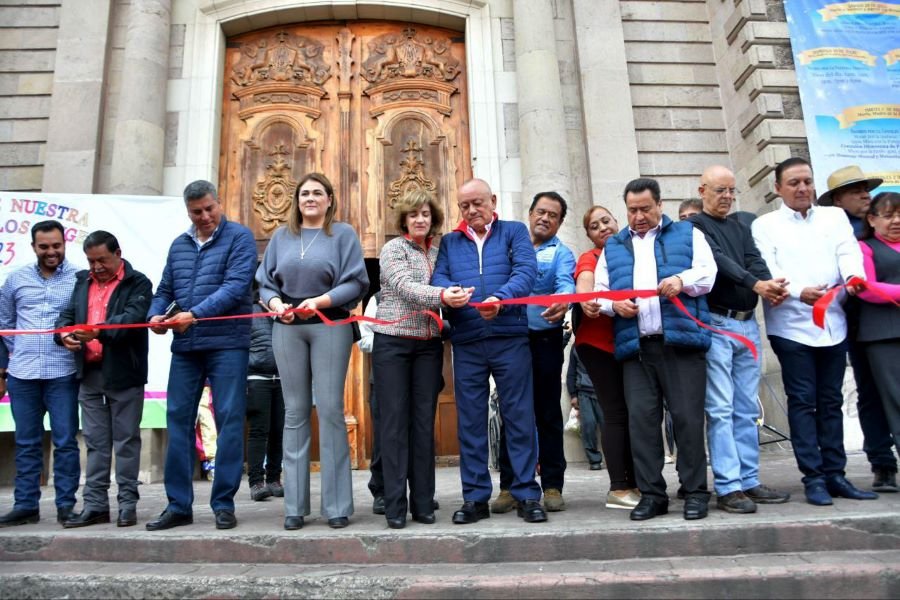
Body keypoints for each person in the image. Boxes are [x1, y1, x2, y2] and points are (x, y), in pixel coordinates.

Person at [751, 157, 876, 505]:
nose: (802, 188)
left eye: (807, 181)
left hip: (834, 321)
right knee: (803, 401)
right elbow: (768, 267)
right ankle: (814, 477)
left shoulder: (834, 217)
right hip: (791, 326)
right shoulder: (765, 225)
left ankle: (836, 474)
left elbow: (847, 252)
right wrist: (798, 292)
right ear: (778, 188)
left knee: (831, 400)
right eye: (794, 183)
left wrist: (853, 278)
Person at [595, 178, 717, 521]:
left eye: (645, 209)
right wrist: (613, 306)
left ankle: (695, 492)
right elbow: (600, 291)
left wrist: (681, 281)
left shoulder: (688, 234)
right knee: (643, 423)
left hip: (681, 345)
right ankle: (652, 495)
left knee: (687, 420)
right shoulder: (614, 246)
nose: (638, 217)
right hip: (636, 349)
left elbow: (708, 273)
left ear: (660, 205)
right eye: (632, 210)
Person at [257, 172, 369, 530]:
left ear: (329, 199)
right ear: (297, 200)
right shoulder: (281, 236)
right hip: (287, 327)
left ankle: (336, 506)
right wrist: (275, 303)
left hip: (329, 324)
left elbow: (356, 282)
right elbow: (264, 283)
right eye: (304, 193)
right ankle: (294, 506)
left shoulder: (343, 234)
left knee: (332, 410)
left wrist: (318, 301)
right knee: (295, 412)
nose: (310, 198)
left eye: (317, 193)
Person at [432, 178, 546, 524]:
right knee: (470, 421)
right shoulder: (450, 242)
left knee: (519, 416)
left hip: (509, 337)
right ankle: (475, 498)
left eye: (477, 203)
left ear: (493, 201)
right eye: (464, 206)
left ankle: (527, 494)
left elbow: (526, 271)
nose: (471, 210)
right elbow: (439, 278)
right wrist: (448, 294)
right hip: (467, 341)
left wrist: (501, 299)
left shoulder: (514, 232)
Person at [145, 179, 257, 531]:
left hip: (228, 344)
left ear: (219, 203)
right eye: (197, 212)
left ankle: (223, 503)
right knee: (177, 420)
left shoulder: (240, 237)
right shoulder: (179, 245)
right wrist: (155, 315)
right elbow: (164, 290)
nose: (205, 216)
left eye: (210, 208)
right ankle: (178, 505)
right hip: (186, 347)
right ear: (188, 212)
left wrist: (194, 315)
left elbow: (236, 287)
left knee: (229, 420)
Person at [689, 166, 792, 513]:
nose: (727, 197)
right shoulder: (695, 226)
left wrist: (770, 284)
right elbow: (718, 261)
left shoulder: (739, 226)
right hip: (717, 324)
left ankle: (749, 480)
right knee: (721, 408)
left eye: (732, 191)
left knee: (747, 409)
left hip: (748, 325)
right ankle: (728, 486)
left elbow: (753, 260)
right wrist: (755, 283)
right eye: (720, 190)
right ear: (702, 190)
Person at [373, 190, 468, 529]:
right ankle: (395, 506)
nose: (420, 219)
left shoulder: (439, 254)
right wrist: (443, 295)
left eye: (425, 214)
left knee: (424, 424)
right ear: (404, 219)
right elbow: (404, 286)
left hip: (428, 346)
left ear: (433, 219)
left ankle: (424, 503)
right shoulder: (393, 249)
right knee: (394, 425)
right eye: (413, 214)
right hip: (393, 344)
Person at [54, 231, 152, 528]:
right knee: (95, 443)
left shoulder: (138, 282)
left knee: (126, 441)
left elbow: (131, 320)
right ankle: (95, 505)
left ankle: (127, 504)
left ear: (118, 254)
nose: (96, 267)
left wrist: (98, 331)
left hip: (125, 373)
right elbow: (66, 316)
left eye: (102, 260)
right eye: (91, 261)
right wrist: (64, 335)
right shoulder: (82, 282)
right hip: (90, 373)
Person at [492, 192, 575, 514]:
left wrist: (564, 300)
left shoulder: (561, 253)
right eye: (540, 212)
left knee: (547, 413)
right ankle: (509, 486)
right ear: (529, 214)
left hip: (545, 341)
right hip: (509, 339)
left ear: (560, 222)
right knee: (512, 411)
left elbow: (565, 283)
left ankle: (552, 485)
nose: (545, 218)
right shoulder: (509, 247)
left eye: (552, 215)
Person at [818, 166, 898, 493]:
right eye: (856, 191)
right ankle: (882, 462)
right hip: (856, 324)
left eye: (866, 190)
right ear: (837, 200)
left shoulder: (881, 229)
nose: (865, 195)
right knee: (871, 393)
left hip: (884, 319)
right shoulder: (830, 230)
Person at [0, 220, 80, 527]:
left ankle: (66, 506)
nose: (51, 252)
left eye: (56, 246)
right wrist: (20, 351)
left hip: (63, 372)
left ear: (64, 243)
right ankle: (25, 506)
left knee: (66, 441)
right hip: (23, 374)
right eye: (44, 246)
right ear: (34, 246)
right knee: (26, 442)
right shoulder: (15, 279)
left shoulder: (79, 278)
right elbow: (5, 323)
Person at [575, 205, 640, 510]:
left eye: (606, 221)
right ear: (589, 235)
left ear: (617, 221)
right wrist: (587, 300)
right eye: (594, 226)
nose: (602, 228)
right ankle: (619, 487)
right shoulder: (590, 257)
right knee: (614, 412)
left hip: (629, 342)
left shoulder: (632, 251)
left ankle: (637, 482)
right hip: (598, 343)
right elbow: (585, 285)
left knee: (634, 412)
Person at [855, 192, 900, 492]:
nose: (895, 220)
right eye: (888, 215)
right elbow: (866, 288)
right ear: (872, 219)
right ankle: (885, 465)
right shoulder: (865, 248)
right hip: (883, 335)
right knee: (896, 402)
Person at [245, 292, 285, 501]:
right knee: (259, 431)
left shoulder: (285, 312)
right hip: (256, 378)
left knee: (279, 431)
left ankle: (274, 479)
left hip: (282, 379)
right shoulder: (249, 311)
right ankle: (256, 482)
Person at [358, 292, 385, 514]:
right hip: (383, 378)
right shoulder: (378, 299)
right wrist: (391, 340)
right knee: (383, 437)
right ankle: (381, 491)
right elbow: (363, 340)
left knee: (419, 434)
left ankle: (420, 492)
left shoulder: (428, 294)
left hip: (418, 376)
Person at [565, 345, 604, 470]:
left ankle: (614, 459)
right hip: (584, 393)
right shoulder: (576, 347)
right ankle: (594, 460)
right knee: (588, 425)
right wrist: (573, 395)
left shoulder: (604, 341)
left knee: (608, 427)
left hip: (604, 392)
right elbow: (571, 373)